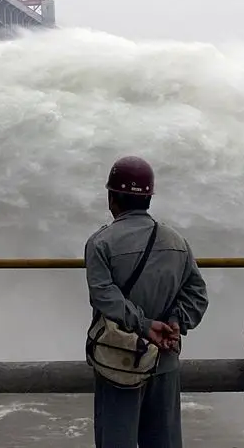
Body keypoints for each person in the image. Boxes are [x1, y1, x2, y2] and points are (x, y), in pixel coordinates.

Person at [84, 155, 210, 448]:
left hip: (119, 361)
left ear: (111, 197)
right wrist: (175, 323)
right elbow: (197, 294)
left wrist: (142, 325)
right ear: (149, 199)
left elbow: (104, 296)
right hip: (165, 359)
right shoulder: (176, 241)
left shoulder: (101, 243)